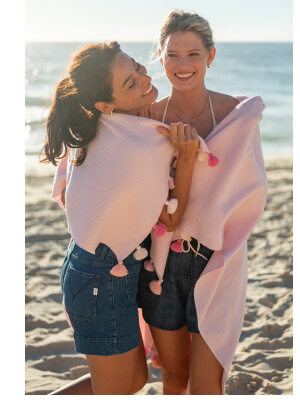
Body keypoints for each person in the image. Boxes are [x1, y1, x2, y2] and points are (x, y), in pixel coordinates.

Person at [40, 41, 201, 395]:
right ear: (104, 104)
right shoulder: (144, 146)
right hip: (101, 276)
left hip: (89, 266)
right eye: (130, 82)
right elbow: (168, 221)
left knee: (132, 381)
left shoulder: (96, 126)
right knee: (116, 390)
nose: (145, 78)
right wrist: (186, 157)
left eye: (138, 68)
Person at [138, 10, 268, 395]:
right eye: (173, 54)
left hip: (217, 259)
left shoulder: (237, 116)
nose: (182, 65)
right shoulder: (147, 118)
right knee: (175, 380)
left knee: (208, 385)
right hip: (160, 263)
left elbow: (252, 192)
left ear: (210, 56)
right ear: (160, 57)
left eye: (193, 54)